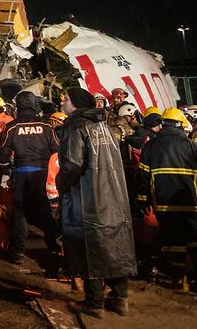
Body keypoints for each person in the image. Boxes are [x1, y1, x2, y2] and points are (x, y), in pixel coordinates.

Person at [57, 87, 136, 318]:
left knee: (89, 248)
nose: (63, 103)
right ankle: (120, 298)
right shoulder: (105, 125)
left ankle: (94, 303)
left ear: (77, 103)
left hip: (88, 196)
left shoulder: (76, 126)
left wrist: (62, 185)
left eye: (66, 100)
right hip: (114, 196)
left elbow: (72, 163)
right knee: (115, 244)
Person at [0, 92, 61, 268]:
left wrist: (5, 173)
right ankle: (54, 249)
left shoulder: (12, 126)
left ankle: (18, 252)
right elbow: (57, 150)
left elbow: (3, 152)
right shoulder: (47, 126)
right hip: (43, 174)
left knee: (20, 214)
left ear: (18, 107)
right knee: (47, 213)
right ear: (34, 105)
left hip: (21, 173)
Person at [136, 108, 197, 292]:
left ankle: (179, 279)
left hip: (163, 202)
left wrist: (142, 202)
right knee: (193, 239)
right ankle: (191, 278)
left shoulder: (152, 146)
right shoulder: (190, 145)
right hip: (191, 201)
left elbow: (143, 176)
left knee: (174, 242)